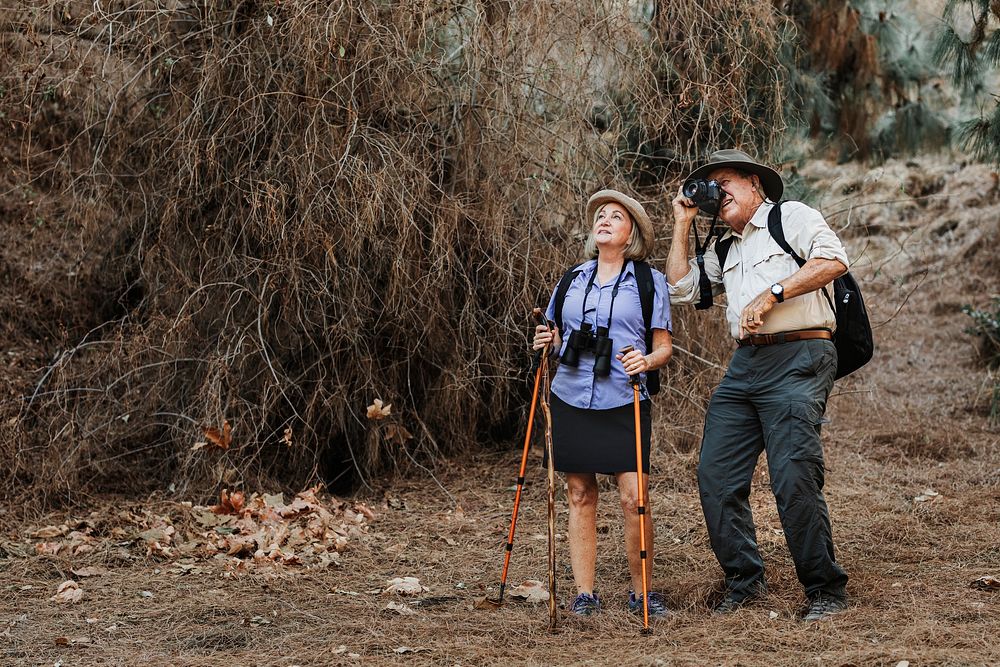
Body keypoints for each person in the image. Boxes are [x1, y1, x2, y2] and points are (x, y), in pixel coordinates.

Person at [665, 149, 850, 621]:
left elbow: (833, 260)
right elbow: (681, 289)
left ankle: (825, 590)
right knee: (716, 475)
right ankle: (745, 583)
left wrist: (773, 292)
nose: (717, 192)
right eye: (711, 187)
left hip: (800, 353)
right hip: (745, 365)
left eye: (724, 182)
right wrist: (683, 223)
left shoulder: (791, 217)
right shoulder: (725, 246)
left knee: (792, 476)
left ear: (754, 184)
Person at [532, 189, 673, 618]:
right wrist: (547, 341)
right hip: (571, 395)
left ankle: (641, 592)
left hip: (623, 397)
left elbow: (663, 347)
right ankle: (584, 594)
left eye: (616, 216)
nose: (605, 220)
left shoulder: (649, 283)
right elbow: (555, 336)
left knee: (634, 497)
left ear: (630, 234)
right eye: (600, 216)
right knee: (579, 493)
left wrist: (645, 360)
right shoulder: (572, 278)